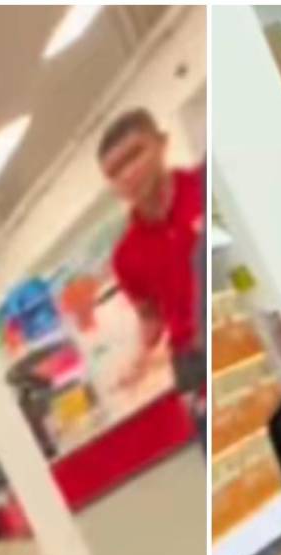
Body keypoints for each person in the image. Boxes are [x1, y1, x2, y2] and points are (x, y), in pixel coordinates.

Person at [98, 108, 206, 449]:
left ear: (162, 144)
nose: (128, 174)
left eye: (134, 154)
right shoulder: (125, 257)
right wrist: (138, 361)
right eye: (115, 171)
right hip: (193, 364)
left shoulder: (206, 187)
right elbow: (151, 321)